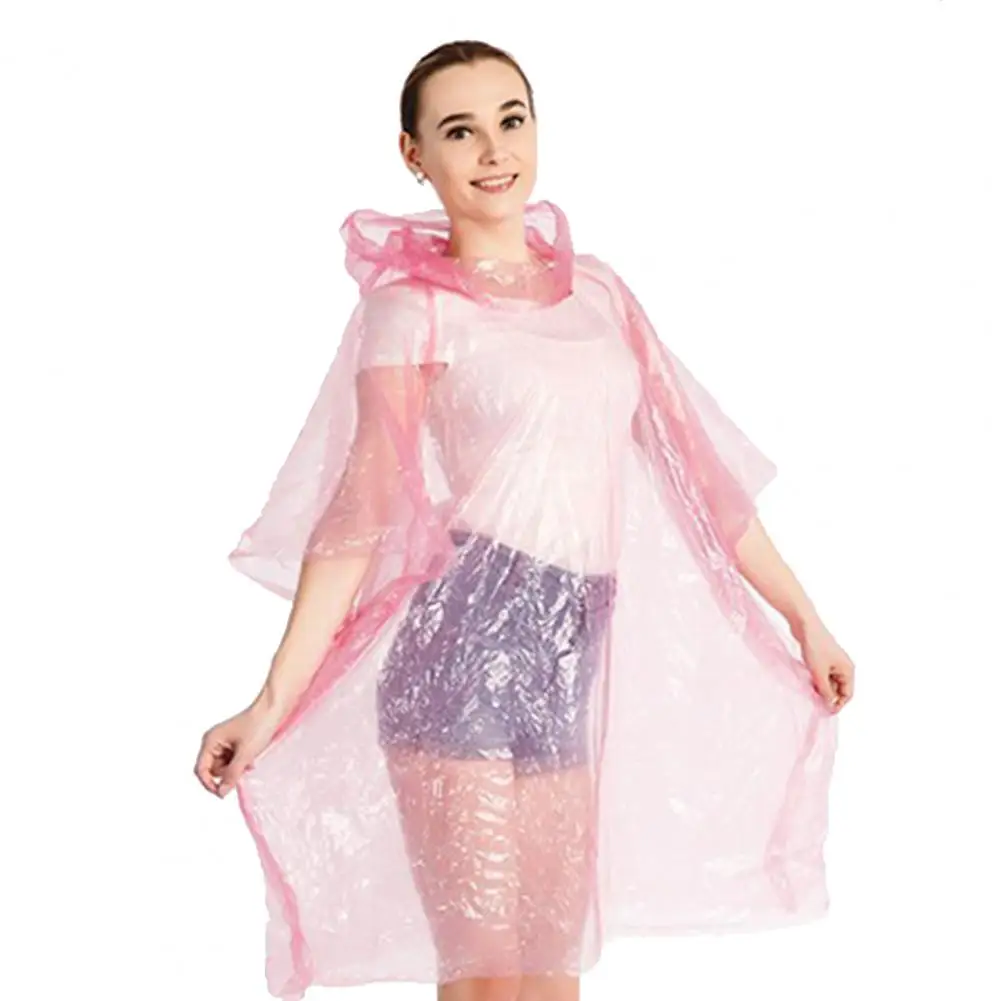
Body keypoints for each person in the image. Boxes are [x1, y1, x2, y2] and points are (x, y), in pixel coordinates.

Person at [194, 39, 854, 1001]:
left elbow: (700, 478)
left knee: (552, 979)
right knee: (485, 983)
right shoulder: (412, 311)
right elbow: (359, 512)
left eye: (511, 120)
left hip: (565, 658)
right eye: (459, 130)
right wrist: (269, 702)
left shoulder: (599, 293)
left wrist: (805, 617)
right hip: (459, 653)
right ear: (415, 154)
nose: (494, 149)